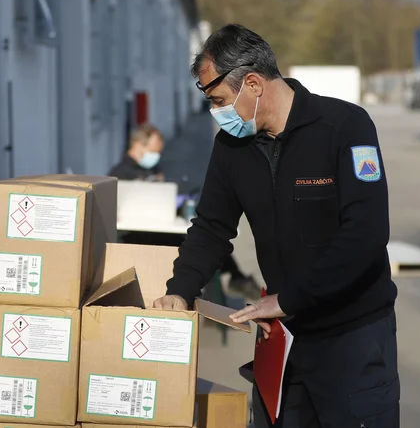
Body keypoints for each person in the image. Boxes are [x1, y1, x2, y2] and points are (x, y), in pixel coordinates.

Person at [152, 24, 399, 427]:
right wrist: (179, 291)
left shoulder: (344, 127)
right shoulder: (232, 148)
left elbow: (366, 234)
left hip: (353, 340)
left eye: (219, 101)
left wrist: (286, 301)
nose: (218, 115)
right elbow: (212, 226)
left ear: (252, 83)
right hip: (285, 343)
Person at [110, 123, 261, 300]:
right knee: (200, 243)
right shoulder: (122, 173)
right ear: (138, 145)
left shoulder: (151, 169)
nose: (157, 156)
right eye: (154, 151)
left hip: (161, 229)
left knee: (205, 241)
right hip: (139, 235)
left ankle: (233, 280)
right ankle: (233, 282)